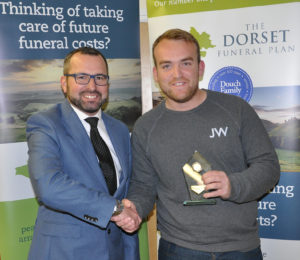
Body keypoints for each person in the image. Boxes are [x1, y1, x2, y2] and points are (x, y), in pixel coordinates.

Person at [126, 29, 280, 259]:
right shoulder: (145, 127)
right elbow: (143, 186)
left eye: (185, 63)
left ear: (200, 68)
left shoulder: (236, 110)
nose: (177, 74)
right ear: (156, 74)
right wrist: (135, 208)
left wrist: (233, 185)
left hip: (240, 249)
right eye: (167, 66)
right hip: (178, 249)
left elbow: (268, 167)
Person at [26, 47, 141, 260]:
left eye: (99, 77)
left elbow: (127, 190)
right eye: (81, 77)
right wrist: (114, 210)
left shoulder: (120, 130)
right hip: (65, 253)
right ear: (64, 83)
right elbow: (49, 186)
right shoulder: (45, 124)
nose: (92, 86)